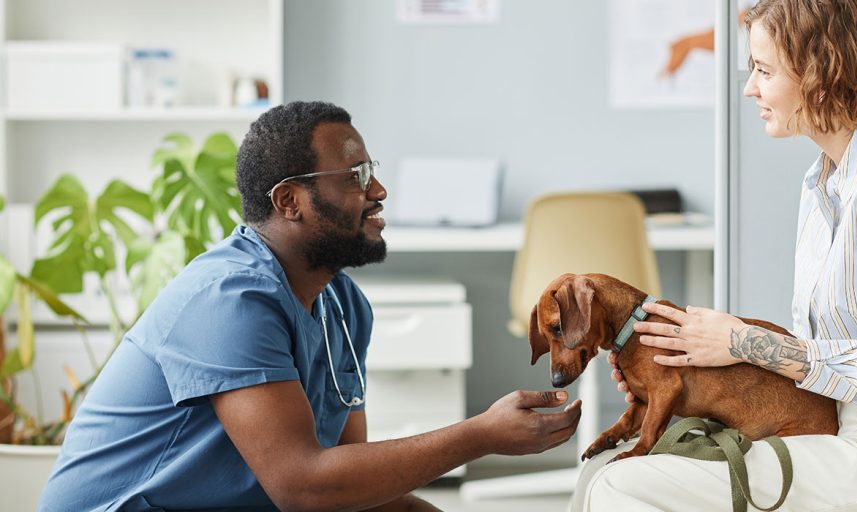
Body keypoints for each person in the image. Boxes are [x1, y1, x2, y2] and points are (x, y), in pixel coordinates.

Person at [39, 101, 582, 511]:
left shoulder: (343, 304)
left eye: (374, 172)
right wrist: (479, 435)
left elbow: (346, 488)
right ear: (289, 201)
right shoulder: (227, 298)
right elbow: (304, 485)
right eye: (357, 177)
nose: (381, 191)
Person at [574, 1, 857, 510]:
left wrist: (743, 341)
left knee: (622, 485)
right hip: (849, 430)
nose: (750, 88)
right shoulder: (826, 181)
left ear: (822, 73)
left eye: (764, 70)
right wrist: (679, 372)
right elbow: (832, 355)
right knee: (604, 468)